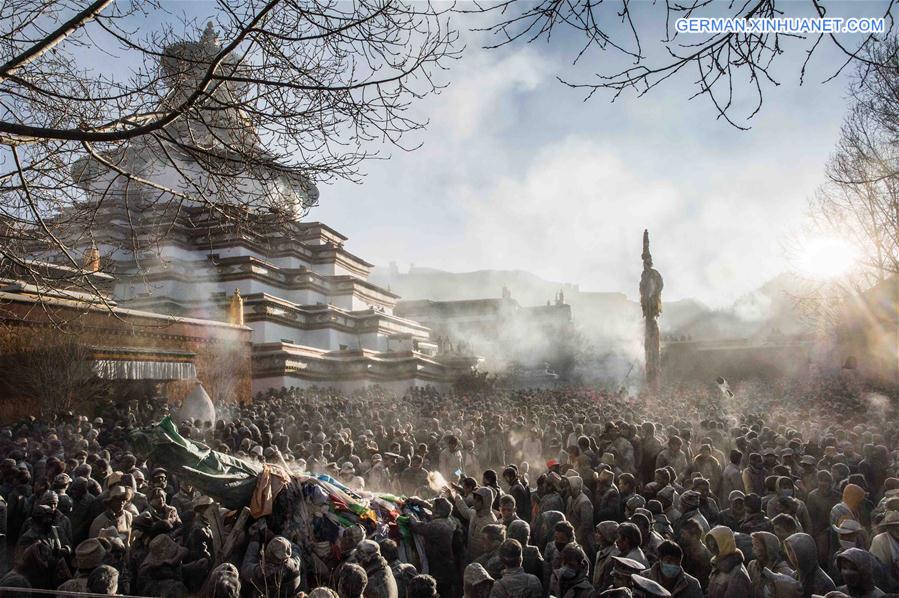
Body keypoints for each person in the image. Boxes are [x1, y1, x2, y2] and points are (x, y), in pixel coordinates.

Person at [783, 532, 837, 597]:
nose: (790, 555)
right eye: (788, 550)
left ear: (805, 552)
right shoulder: (794, 576)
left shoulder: (824, 583)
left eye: (795, 551)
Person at [704, 525, 751, 598]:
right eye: (710, 542)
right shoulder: (718, 564)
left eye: (715, 543)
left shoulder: (737, 574)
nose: (712, 546)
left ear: (726, 543)